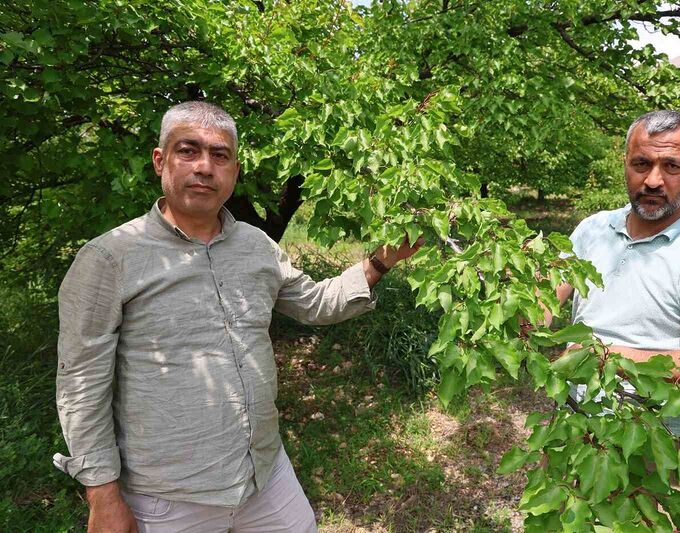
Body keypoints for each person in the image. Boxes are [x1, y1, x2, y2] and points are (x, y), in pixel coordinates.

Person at [53, 101, 421, 532]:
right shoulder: (110, 257)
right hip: (167, 497)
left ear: (235, 169)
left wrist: (383, 260)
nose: (205, 167)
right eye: (188, 151)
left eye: (220, 155)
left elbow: (316, 303)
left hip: (264, 476)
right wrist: (102, 495)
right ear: (160, 160)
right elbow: (81, 383)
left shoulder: (256, 245)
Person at [549, 110, 680, 411]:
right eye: (641, 163)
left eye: (672, 166)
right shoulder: (593, 228)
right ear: (625, 163)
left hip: (653, 438)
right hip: (569, 419)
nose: (653, 180)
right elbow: (544, 296)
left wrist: (601, 357)